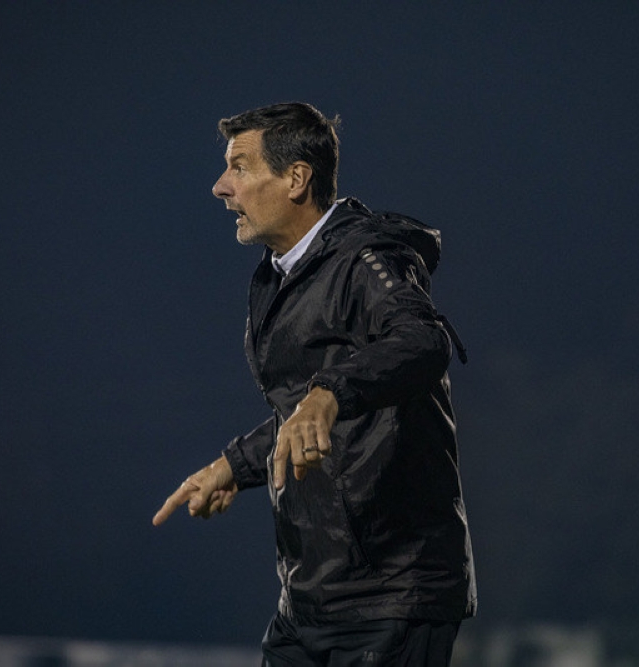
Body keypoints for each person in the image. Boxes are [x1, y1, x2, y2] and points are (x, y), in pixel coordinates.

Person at [152, 102, 476, 666]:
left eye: (240, 167)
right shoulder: (279, 275)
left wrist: (329, 393)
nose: (220, 187)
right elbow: (301, 410)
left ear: (297, 178)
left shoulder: (368, 257)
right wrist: (234, 464)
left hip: (391, 596)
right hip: (310, 600)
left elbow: (423, 342)